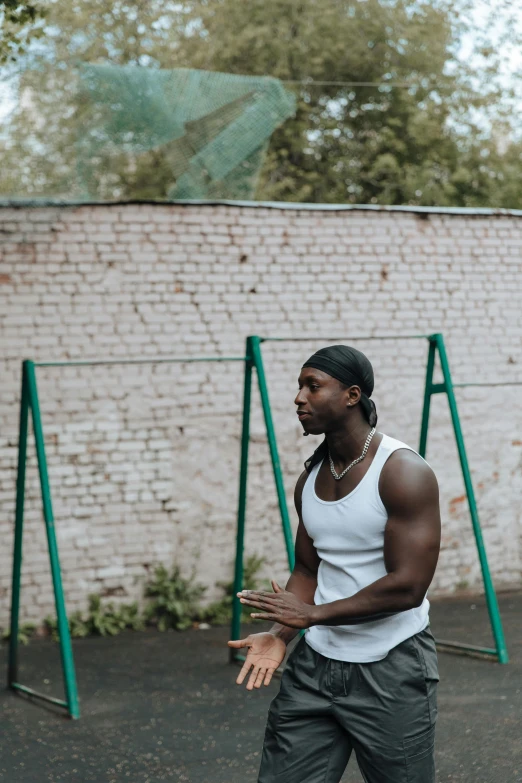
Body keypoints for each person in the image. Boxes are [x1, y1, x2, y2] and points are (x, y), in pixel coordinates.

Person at [228, 345, 441, 783]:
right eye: (298, 386)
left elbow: (408, 587)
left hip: (391, 666)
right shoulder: (310, 479)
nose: (299, 398)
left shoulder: (402, 471)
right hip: (315, 667)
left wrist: (313, 615)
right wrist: (281, 633)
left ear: (351, 395)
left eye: (313, 385)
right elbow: (307, 571)